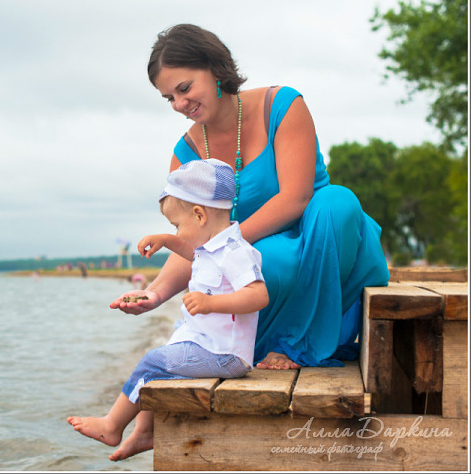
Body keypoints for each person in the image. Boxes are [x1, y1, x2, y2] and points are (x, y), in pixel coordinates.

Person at [111, 23, 390, 372]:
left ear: (215, 69)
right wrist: (154, 293)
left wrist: (224, 242)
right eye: (169, 98)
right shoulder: (187, 155)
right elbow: (195, 238)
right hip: (263, 266)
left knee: (338, 202)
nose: (180, 104)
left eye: (184, 88)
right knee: (261, 261)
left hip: (326, 242)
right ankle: (261, 346)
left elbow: (296, 198)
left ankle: (302, 345)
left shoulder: (282, 105)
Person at [68, 158, 268, 462]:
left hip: (225, 354)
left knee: (154, 361)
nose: (177, 231)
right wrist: (167, 240)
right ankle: (144, 433)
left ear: (199, 215)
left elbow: (258, 295)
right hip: (209, 344)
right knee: (167, 354)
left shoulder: (236, 253)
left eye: (176, 225)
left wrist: (211, 303)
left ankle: (112, 426)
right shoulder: (212, 248)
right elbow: (193, 253)